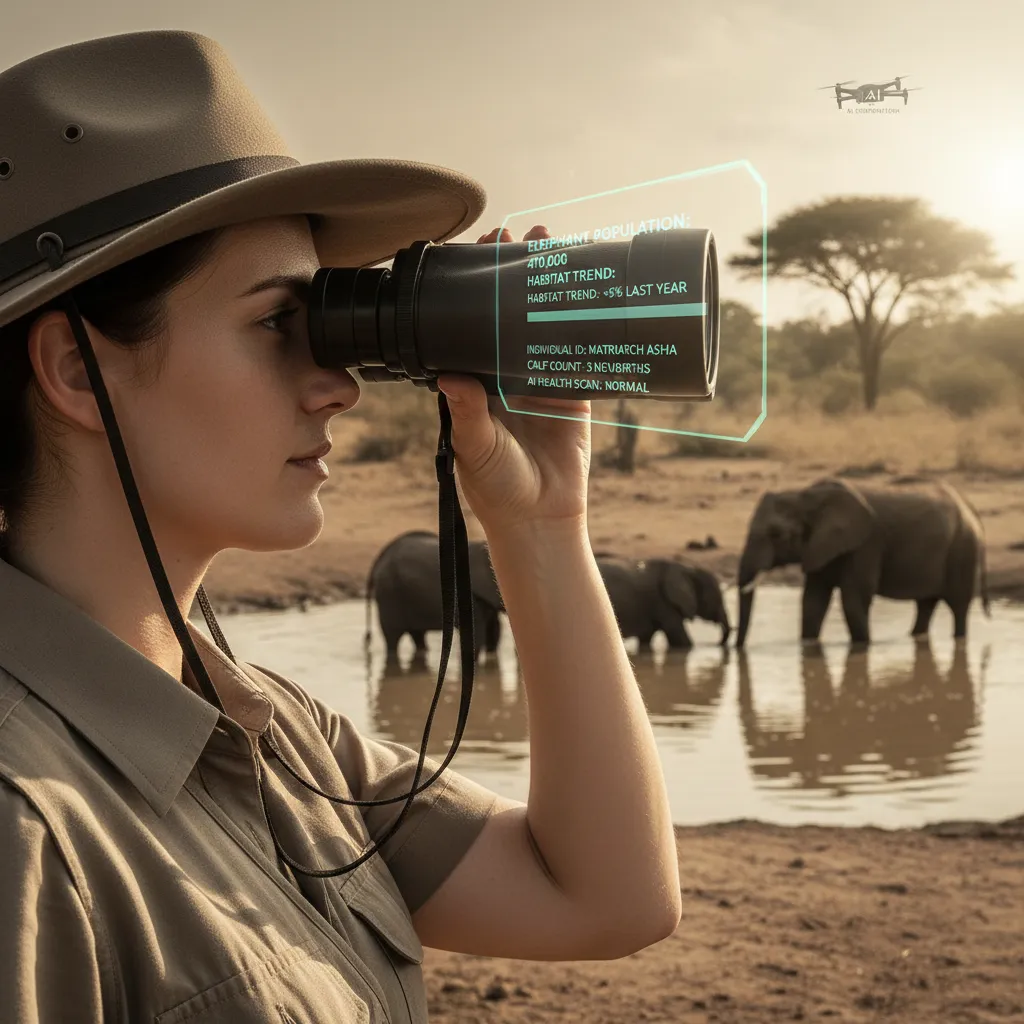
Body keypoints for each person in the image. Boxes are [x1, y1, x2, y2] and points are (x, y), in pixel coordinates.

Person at [0, 29, 681, 1024]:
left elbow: (605, 897)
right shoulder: (24, 821)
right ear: (74, 370)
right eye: (280, 323)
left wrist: (540, 526)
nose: (338, 386)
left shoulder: (272, 736)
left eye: (332, 321)